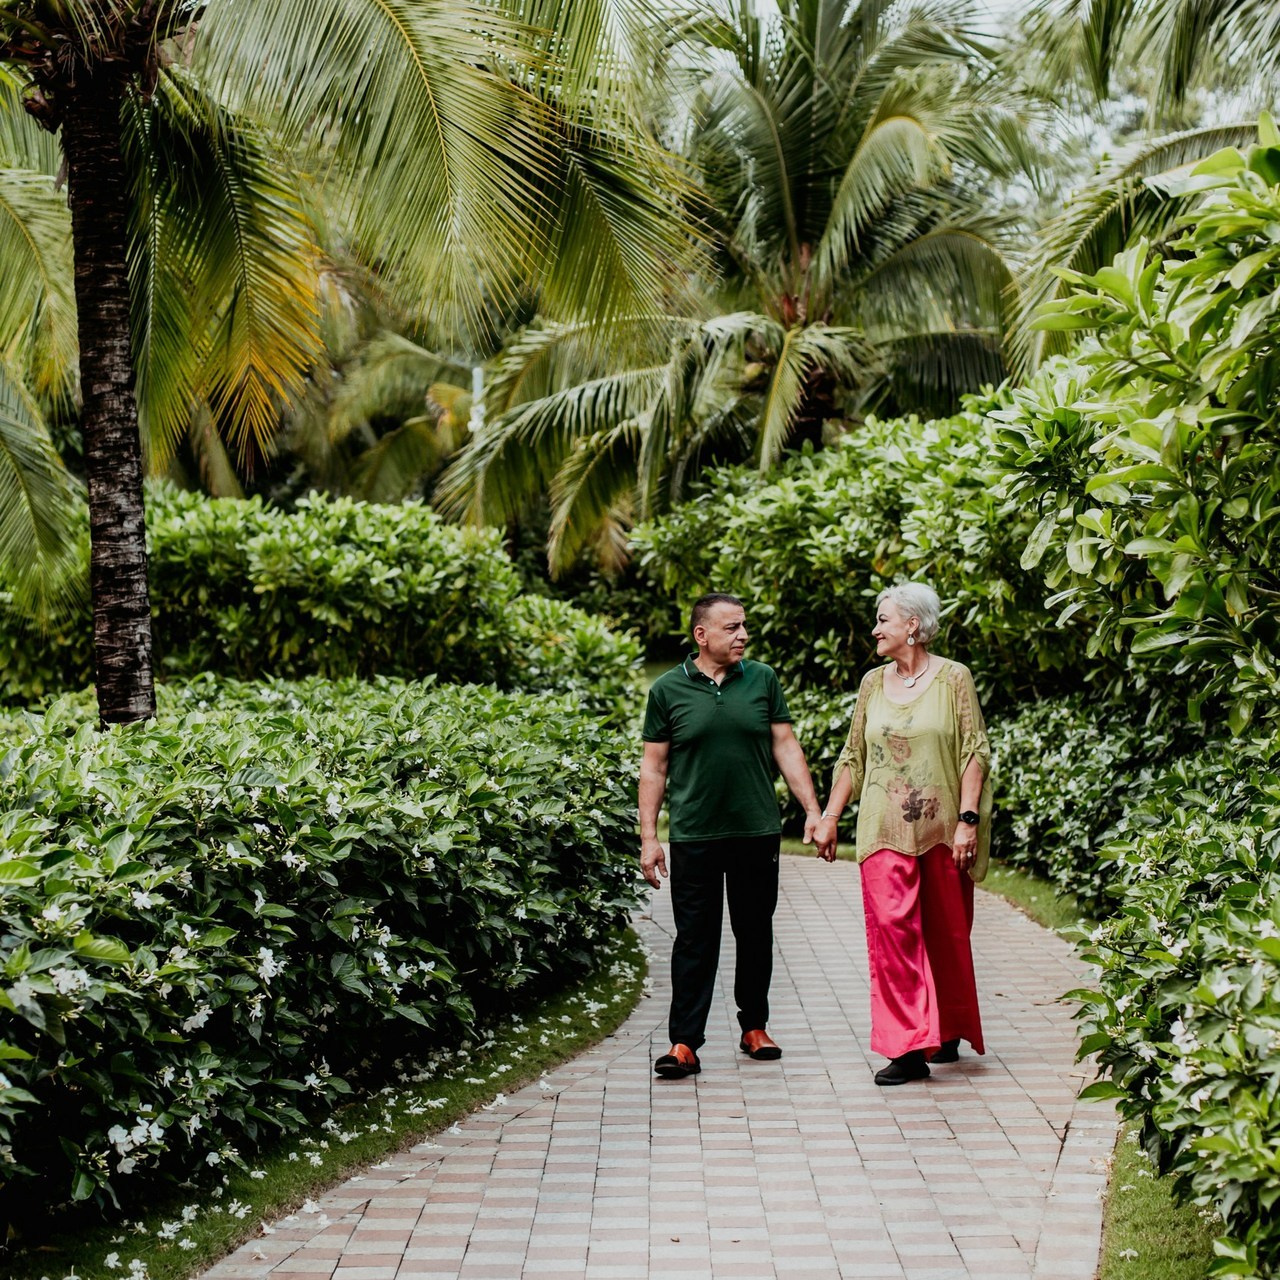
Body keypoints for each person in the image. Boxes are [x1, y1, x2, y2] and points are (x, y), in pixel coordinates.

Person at [814, 582, 991, 1086]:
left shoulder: (954, 678)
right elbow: (853, 756)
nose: (875, 628)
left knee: (946, 933)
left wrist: (968, 820)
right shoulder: (872, 684)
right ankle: (909, 1046)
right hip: (882, 827)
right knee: (893, 934)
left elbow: (974, 751)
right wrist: (830, 815)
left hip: (943, 828)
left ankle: (948, 1029)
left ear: (912, 625)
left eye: (883, 619)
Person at [640, 592, 823, 1080]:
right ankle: (685, 1042)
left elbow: (785, 745)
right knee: (695, 939)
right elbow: (654, 767)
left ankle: (754, 1027)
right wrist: (649, 837)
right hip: (696, 833)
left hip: (755, 830)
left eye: (744, 626)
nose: (743, 635)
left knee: (755, 931)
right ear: (702, 635)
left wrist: (811, 809)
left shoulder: (762, 679)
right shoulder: (666, 690)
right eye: (731, 628)